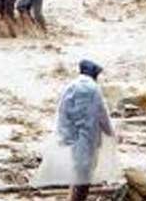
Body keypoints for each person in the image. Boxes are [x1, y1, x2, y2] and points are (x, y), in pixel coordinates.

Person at [57, 60, 115, 201]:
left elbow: (62, 111)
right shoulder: (94, 89)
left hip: (72, 138)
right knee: (84, 177)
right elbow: (102, 115)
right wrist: (111, 133)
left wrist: (63, 134)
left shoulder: (70, 87)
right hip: (89, 140)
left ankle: (72, 198)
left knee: (76, 173)